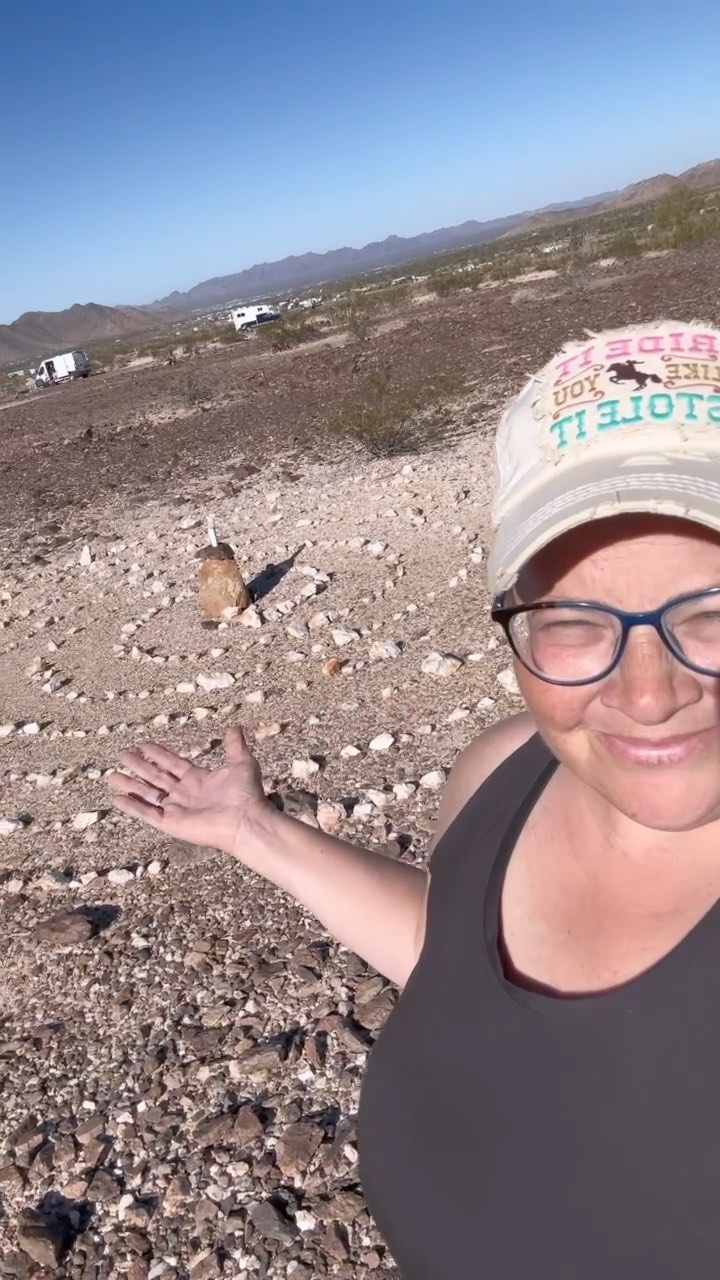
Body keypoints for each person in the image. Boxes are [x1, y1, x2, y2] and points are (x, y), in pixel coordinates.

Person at [110, 319, 720, 1277]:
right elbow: (451, 957)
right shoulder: (502, 769)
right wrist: (256, 831)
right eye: (571, 620)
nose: (648, 695)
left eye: (714, 609)